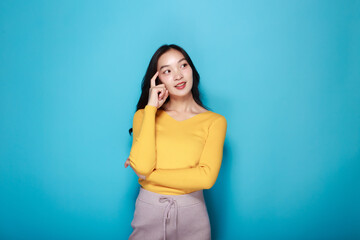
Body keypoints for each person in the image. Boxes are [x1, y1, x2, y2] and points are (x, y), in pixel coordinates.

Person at [124, 44, 227, 240]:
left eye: (183, 66)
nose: (178, 76)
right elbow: (144, 166)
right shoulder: (144, 116)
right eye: (167, 71)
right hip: (149, 212)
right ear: (157, 80)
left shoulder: (215, 121)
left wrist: (148, 177)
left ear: (192, 70)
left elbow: (206, 178)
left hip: (193, 216)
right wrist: (151, 108)